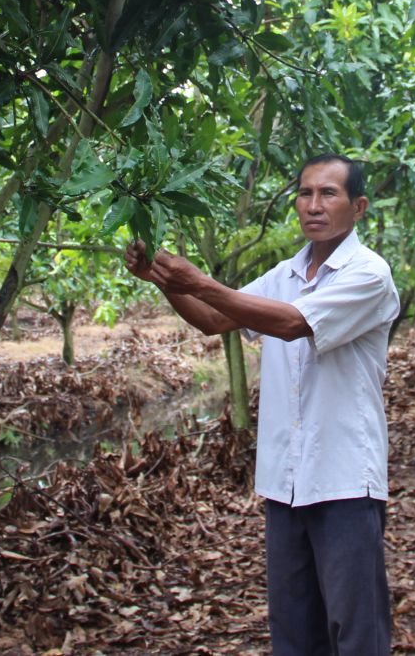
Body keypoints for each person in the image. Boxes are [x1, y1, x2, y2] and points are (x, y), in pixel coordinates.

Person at [124, 153, 400, 656]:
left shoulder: (369, 274)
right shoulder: (285, 274)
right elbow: (212, 317)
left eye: (329, 194)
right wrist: (162, 280)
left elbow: (293, 323)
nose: (313, 205)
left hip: (343, 480)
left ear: (358, 207)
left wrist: (199, 280)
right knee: (294, 630)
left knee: (356, 631)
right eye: (305, 193)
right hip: (285, 482)